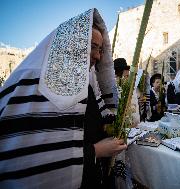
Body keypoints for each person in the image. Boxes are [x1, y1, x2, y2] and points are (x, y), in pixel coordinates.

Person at [0, 9, 127, 188]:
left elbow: (97, 124)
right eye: (92, 46)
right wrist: (97, 151)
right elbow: (31, 159)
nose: (98, 56)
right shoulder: (37, 86)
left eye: (100, 49)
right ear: (70, 44)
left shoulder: (88, 87)